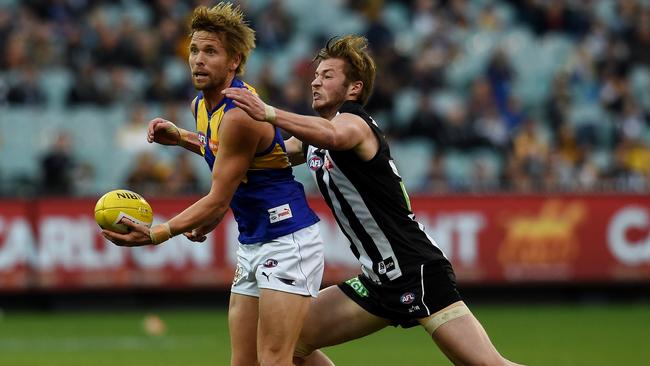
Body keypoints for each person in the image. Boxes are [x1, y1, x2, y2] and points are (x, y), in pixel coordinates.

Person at [224, 35, 522, 366]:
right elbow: (261, 156)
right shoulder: (316, 135)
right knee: (287, 343)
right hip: (377, 281)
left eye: (327, 76)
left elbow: (333, 136)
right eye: (315, 75)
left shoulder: (354, 123)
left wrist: (268, 112)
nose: (315, 82)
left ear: (353, 89)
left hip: (416, 269)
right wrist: (187, 139)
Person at [101, 4, 324, 366]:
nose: (198, 60)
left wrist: (159, 233)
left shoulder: (239, 114)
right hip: (253, 240)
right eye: (193, 50)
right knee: (249, 360)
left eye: (210, 52)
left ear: (234, 61)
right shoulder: (201, 105)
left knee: (275, 359)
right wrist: (184, 138)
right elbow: (225, 156)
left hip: (287, 239)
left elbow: (219, 199)